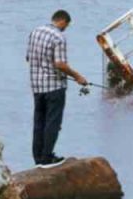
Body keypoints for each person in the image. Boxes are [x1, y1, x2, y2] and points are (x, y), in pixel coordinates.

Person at [26, 10, 88, 168]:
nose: (66, 28)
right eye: (67, 25)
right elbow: (59, 64)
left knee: (39, 121)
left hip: (37, 85)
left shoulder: (36, 31)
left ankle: (38, 157)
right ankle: (47, 158)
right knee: (53, 122)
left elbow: (28, 57)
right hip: (54, 87)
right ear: (63, 21)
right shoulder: (59, 37)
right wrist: (77, 76)